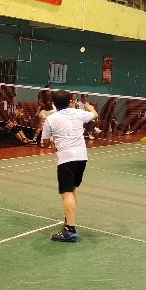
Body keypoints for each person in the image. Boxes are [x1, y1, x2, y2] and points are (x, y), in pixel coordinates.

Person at [40, 89, 98, 242]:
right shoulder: (78, 113)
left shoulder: (51, 119)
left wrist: (52, 139)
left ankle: (70, 230)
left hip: (66, 159)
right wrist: (90, 107)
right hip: (82, 158)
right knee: (72, 189)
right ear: (69, 101)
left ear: (54, 103)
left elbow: (44, 144)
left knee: (66, 193)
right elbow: (94, 114)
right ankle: (69, 219)